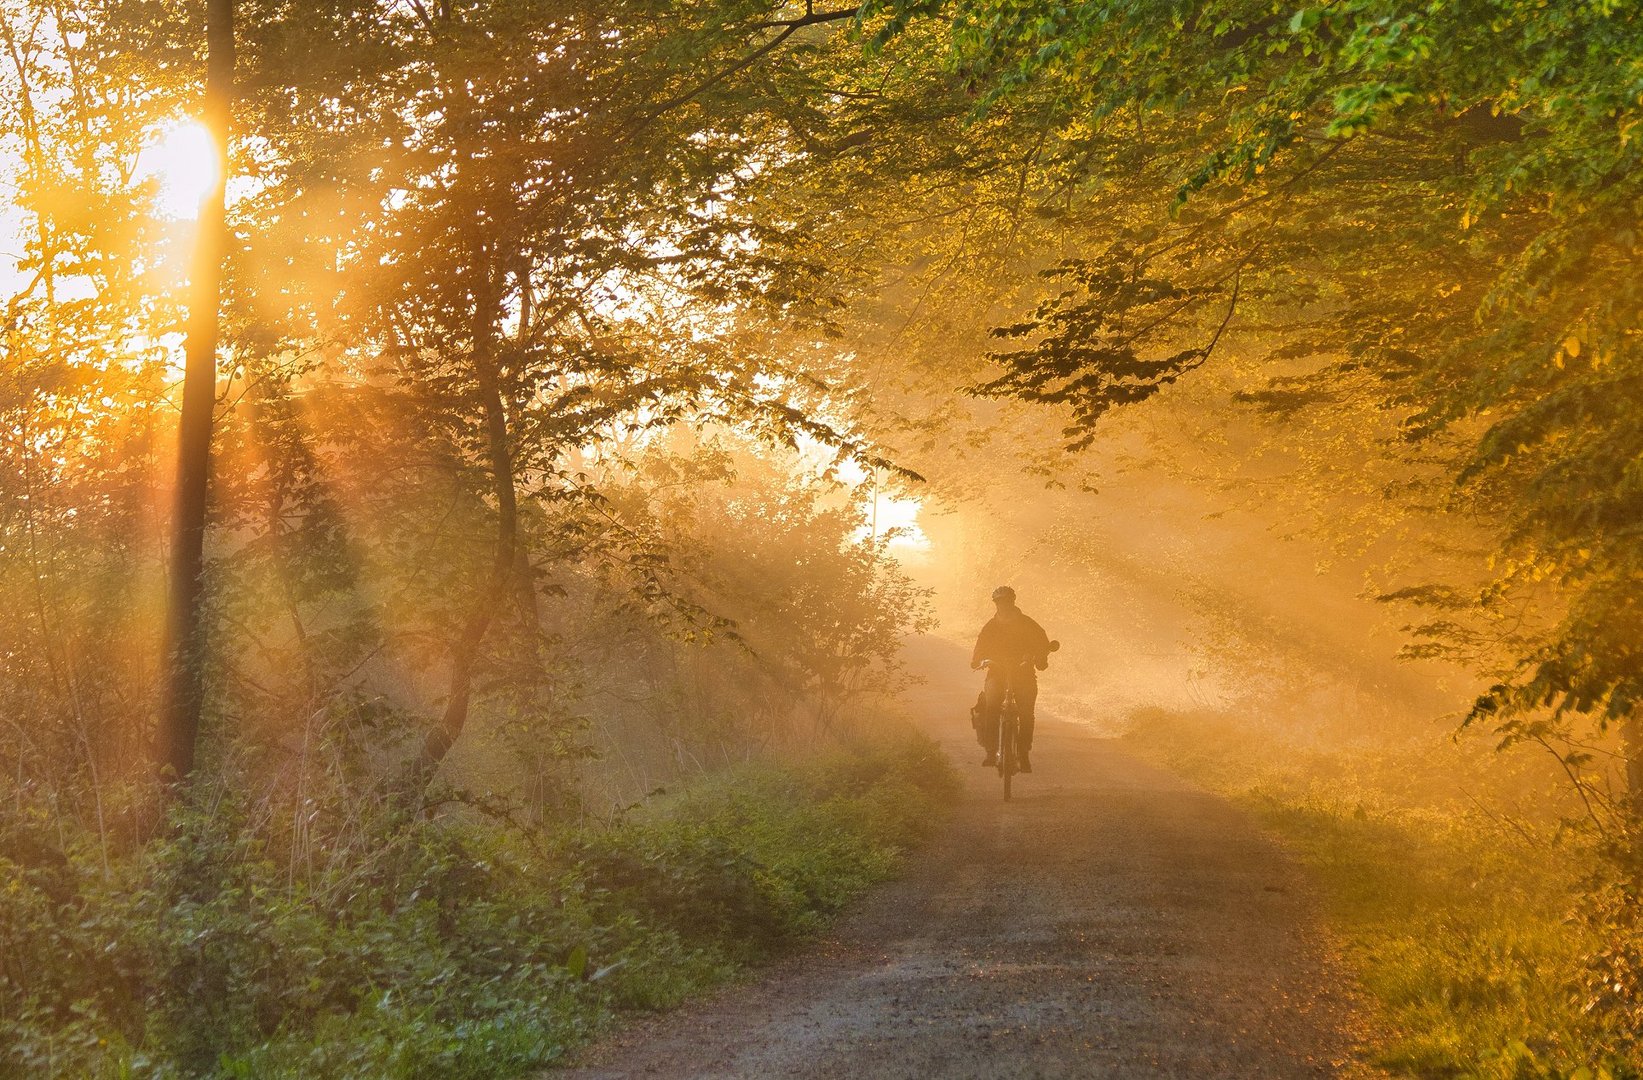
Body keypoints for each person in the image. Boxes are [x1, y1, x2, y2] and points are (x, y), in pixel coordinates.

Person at [971, 585, 1053, 771]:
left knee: (1026, 714)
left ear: (1013, 602)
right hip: (997, 673)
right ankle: (991, 752)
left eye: (1007, 601)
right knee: (991, 707)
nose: (1003, 606)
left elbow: (1042, 644)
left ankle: (1023, 753)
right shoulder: (990, 627)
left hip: (1023, 674)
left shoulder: (1028, 624)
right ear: (996, 604)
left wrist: (1039, 658)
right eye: (1000, 602)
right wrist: (979, 661)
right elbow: (979, 649)